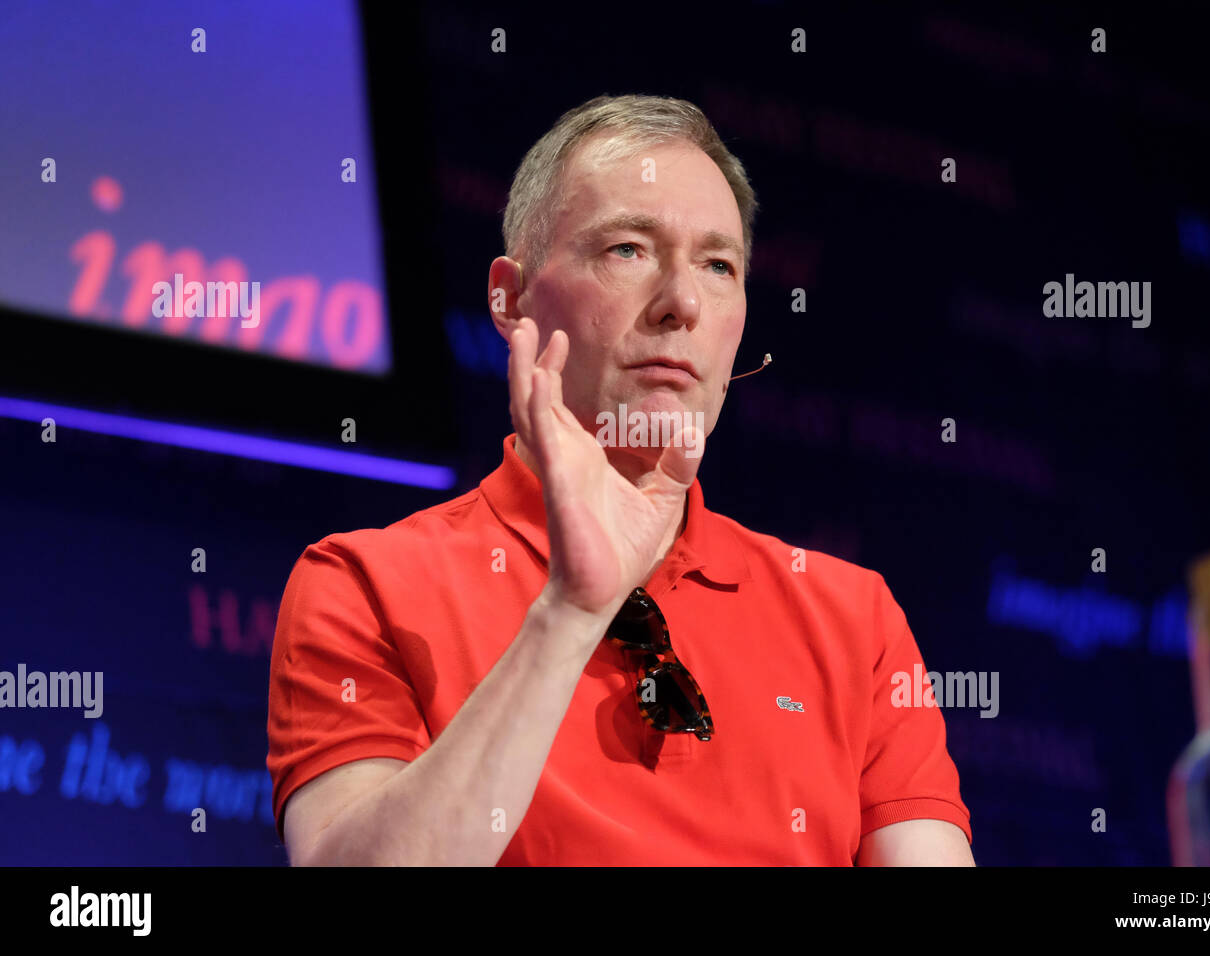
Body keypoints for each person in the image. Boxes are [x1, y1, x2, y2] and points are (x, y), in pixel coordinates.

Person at [266, 93, 974, 866]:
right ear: (509, 298)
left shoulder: (852, 619)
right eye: (628, 249)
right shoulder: (364, 583)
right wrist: (570, 611)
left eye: (718, 265)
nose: (683, 303)